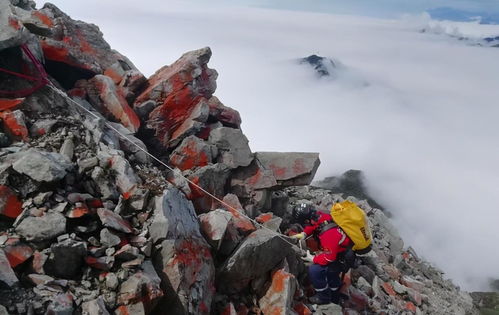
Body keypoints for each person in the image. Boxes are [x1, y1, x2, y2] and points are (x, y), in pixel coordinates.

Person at [290, 203, 352, 305]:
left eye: (304, 223)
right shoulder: (321, 215)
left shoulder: (329, 235)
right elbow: (314, 225)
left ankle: (324, 298)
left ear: (307, 220)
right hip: (340, 251)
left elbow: (329, 258)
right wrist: (304, 233)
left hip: (340, 257)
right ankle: (335, 293)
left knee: (315, 270)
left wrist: (313, 259)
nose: (305, 225)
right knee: (332, 275)